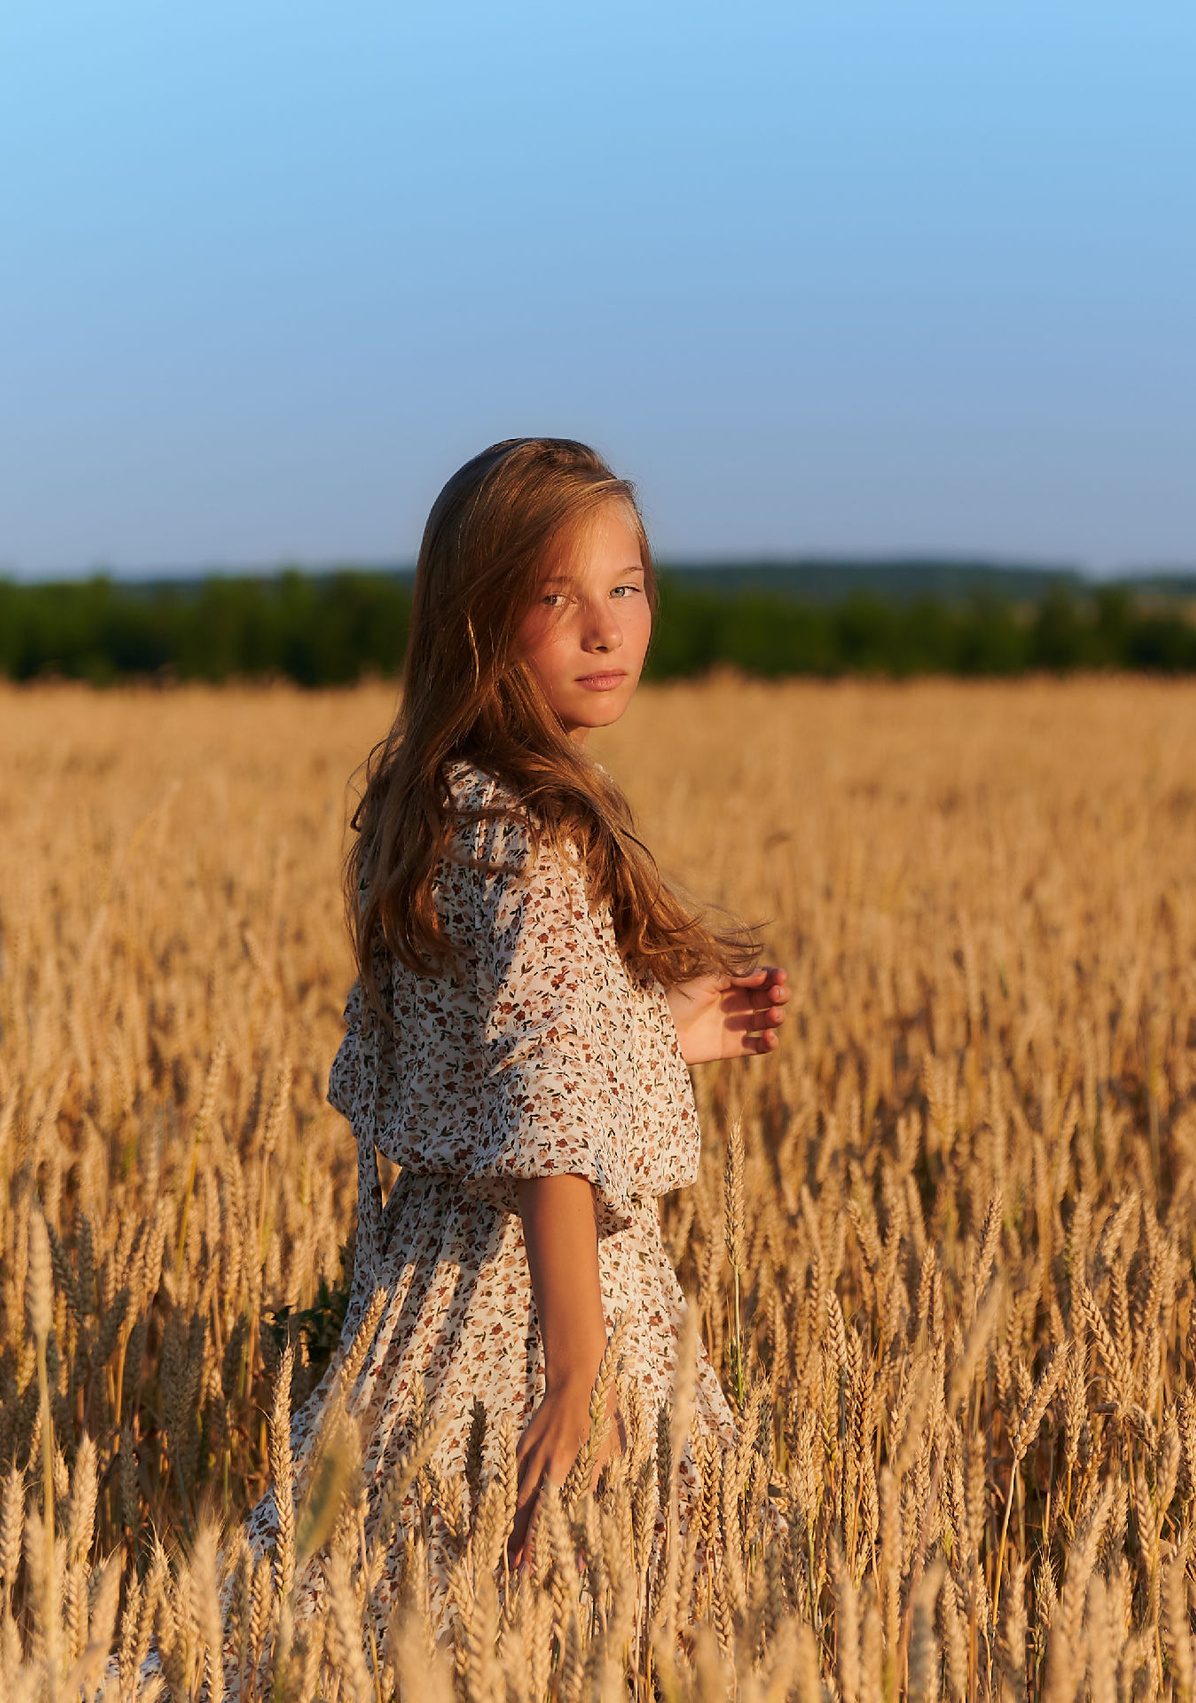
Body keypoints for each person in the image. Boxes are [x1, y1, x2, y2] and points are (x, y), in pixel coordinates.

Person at [245, 437, 790, 1620]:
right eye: (556, 596)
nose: (605, 627)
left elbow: (498, 1054)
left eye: (625, 587)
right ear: (479, 626)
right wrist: (577, 1372)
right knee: (611, 1615)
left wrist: (659, 1031)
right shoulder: (537, 839)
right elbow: (546, 1120)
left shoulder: (440, 802)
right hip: (533, 1301)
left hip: (418, 1306)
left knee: (354, 1618)